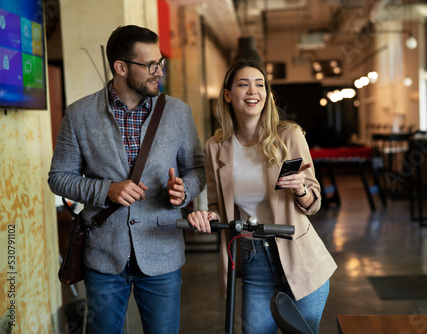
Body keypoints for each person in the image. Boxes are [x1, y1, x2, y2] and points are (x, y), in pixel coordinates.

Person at [48, 25, 205, 333]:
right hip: (103, 255)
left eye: (160, 63)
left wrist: (184, 190)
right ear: (120, 67)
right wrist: (106, 190)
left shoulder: (177, 112)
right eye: (150, 65)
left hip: (162, 253)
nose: (158, 71)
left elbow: (197, 169)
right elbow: (59, 178)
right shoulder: (79, 114)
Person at [187, 59, 337, 333]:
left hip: (300, 255)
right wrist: (209, 215)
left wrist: (301, 189)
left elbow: (314, 202)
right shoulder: (215, 147)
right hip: (253, 257)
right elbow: (217, 206)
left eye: (260, 85)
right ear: (228, 95)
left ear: (267, 94)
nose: (253, 91)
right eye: (243, 84)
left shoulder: (289, 136)